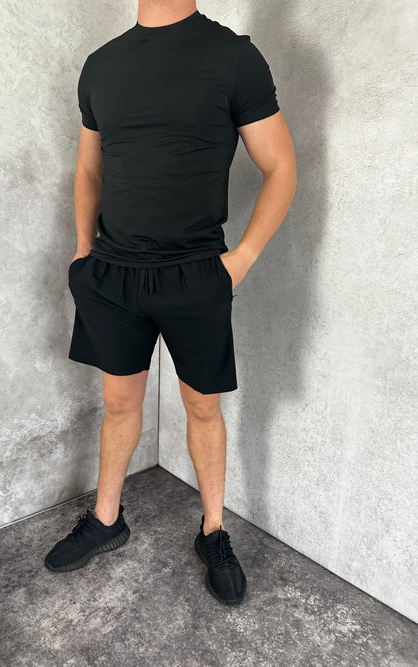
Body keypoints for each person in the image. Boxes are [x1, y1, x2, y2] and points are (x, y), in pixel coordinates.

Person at [44, 1, 297, 606]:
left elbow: (282, 165)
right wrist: (83, 253)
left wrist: (239, 262)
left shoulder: (233, 57)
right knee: (118, 403)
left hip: (195, 275)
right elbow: (88, 170)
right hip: (112, 275)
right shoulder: (101, 64)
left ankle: (214, 532)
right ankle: (107, 520)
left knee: (202, 407)